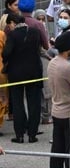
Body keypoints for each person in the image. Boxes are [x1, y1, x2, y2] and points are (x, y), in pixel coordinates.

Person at [2, 14, 43, 143]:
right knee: (34, 103)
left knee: (18, 102)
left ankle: (19, 135)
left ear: (13, 22)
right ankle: (32, 134)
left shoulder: (13, 35)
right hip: (34, 72)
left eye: (9, 25)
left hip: (16, 73)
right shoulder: (35, 32)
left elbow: (6, 53)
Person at [47, 32, 70, 168]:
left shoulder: (52, 63)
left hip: (56, 110)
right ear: (69, 47)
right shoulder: (68, 67)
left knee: (57, 149)